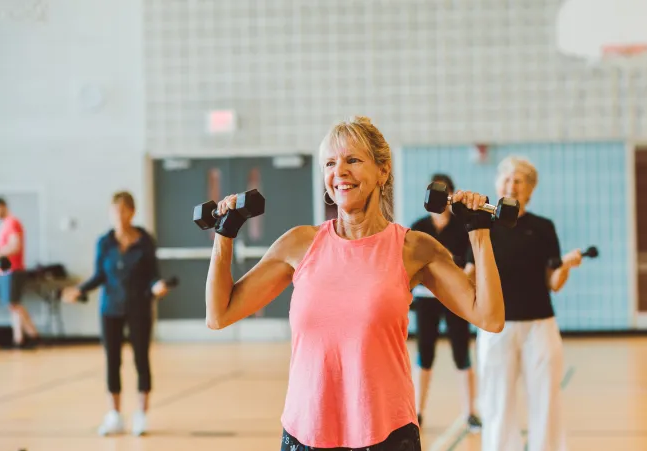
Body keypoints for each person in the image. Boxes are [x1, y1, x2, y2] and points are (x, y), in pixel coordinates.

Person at [204, 116, 506, 451]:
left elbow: (489, 317)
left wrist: (479, 232)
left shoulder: (413, 248)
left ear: (383, 171)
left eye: (353, 160)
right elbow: (220, 314)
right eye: (330, 163)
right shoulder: (299, 244)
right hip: (307, 434)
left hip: (387, 434)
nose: (340, 172)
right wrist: (224, 234)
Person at [465, 155, 583, 451]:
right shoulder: (483, 225)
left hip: (540, 327)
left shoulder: (543, 227)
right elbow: (470, 275)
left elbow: (552, 283)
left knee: (546, 399)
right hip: (495, 328)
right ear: (497, 183)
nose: (511, 185)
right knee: (497, 401)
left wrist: (565, 266)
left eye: (519, 180)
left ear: (530, 189)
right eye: (506, 178)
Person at [61, 191, 172, 437]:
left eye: (123, 210)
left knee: (141, 360)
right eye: (115, 211)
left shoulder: (145, 241)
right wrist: (79, 290)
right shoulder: (105, 242)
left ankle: (141, 415)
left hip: (139, 308)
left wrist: (156, 287)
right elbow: (100, 274)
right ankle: (114, 415)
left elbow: (153, 274)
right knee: (112, 361)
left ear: (132, 212)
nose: (119, 216)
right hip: (110, 308)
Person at [409, 173, 482, 432]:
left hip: (454, 299)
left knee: (461, 353)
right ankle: (417, 412)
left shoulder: (463, 226)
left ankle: (470, 413)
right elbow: (410, 265)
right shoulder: (418, 227)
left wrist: (455, 283)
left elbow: (472, 265)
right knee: (424, 354)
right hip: (425, 300)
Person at [0, 197, 40, 349]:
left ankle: (33, 334)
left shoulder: (12, 223)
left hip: (14, 270)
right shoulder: (4, 225)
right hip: (5, 271)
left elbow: (15, 246)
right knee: (12, 305)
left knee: (14, 304)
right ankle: (19, 338)